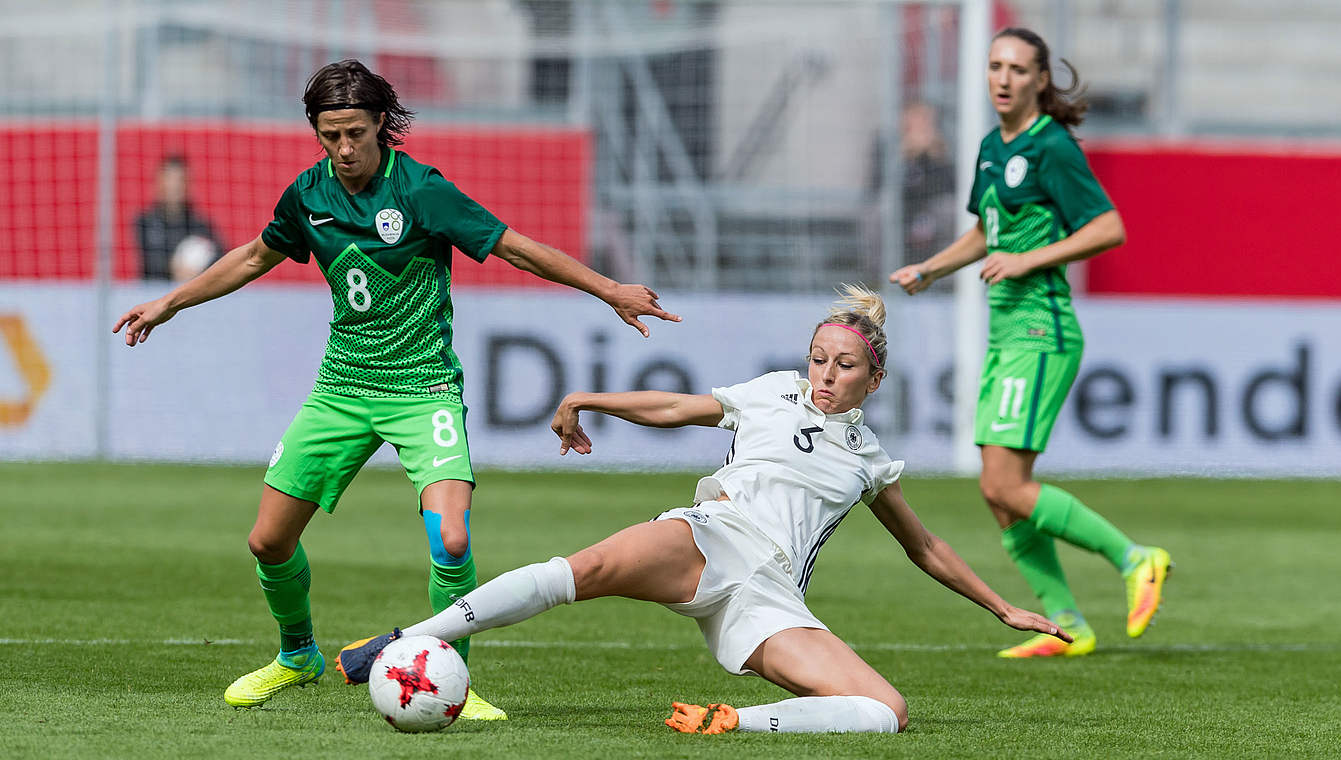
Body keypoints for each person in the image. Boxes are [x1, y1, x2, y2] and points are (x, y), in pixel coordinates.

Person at [112, 59, 681, 717]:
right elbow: (250, 257)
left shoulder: (421, 191)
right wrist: (171, 303)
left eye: (355, 133)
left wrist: (609, 289)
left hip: (423, 390)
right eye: (331, 136)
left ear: (381, 123)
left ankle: (456, 687)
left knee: (453, 541)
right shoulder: (308, 196)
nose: (345, 149)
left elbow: (514, 248)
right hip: (342, 390)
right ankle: (297, 655)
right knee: (267, 542)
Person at [333, 285, 1070, 734]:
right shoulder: (774, 390)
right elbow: (680, 406)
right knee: (580, 569)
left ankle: (728, 722)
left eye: (844, 366)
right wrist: (592, 398)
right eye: (819, 357)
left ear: (873, 380)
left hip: (768, 594)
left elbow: (926, 546)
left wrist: (1002, 608)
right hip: (714, 537)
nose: (825, 374)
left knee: (886, 712)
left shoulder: (870, 459)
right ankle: (399, 640)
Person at [889, 28, 1172, 658]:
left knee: (1007, 485)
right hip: (1006, 333)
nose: (1003, 78)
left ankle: (1136, 559)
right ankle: (1068, 625)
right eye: (995, 66)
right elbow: (987, 233)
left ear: (1041, 80)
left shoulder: (1052, 147)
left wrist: (1030, 260)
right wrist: (932, 269)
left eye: (1018, 68)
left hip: (1041, 331)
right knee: (998, 493)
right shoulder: (992, 146)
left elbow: (1108, 227)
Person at [867, 101, 956, 266]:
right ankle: (879, 273)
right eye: (916, 120)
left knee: (950, 211)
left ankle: (947, 275)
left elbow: (949, 187)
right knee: (879, 214)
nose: (921, 125)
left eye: (926, 120)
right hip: (902, 207)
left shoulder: (940, 146)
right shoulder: (886, 144)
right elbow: (877, 185)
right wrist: (904, 157)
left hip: (930, 207)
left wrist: (935, 157)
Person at [133, 155, 223, 281]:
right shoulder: (145, 222)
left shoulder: (200, 225)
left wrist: (201, 270)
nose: (174, 186)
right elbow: (149, 261)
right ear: (160, 182)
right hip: (155, 294)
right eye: (169, 179)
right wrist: (174, 267)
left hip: (193, 294)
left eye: (180, 180)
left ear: (187, 184)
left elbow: (222, 257)